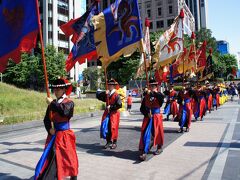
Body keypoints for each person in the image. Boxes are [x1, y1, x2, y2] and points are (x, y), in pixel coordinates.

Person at [35, 78, 78, 180]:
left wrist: (52, 104)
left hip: (65, 135)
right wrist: (49, 129)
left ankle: (73, 175)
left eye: (59, 89)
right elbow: (46, 119)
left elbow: (65, 112)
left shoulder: (69, 102)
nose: (56, 91)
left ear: (64, 90)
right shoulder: (52, 103)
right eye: (55, 89)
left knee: (69, 158)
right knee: (52, 156)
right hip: (54, 135)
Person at [139, 79, 164, 161]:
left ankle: (159, 147)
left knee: (157, 132)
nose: (152, 87)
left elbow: (160, 100)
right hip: (148, 117)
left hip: (156, 116)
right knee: (147, 133)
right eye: (151, 86)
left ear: (156, 87)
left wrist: (152, 93)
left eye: (154, 86)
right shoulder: (146, 97)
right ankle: (144, 152)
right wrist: (146, 113)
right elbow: (142, 108)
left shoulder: (159, 95)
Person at [96, 79, 122, 149]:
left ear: (114, 86)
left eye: (111, 85)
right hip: (107, 113)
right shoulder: (107, 94)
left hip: (114, 114)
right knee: (106, 127)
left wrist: (111, 107)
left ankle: (114, 142)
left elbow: (119, 105)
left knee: (113, 128)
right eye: (109, 85)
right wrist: (104, 93)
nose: (109, 86)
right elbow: (98, 96)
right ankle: (108, 141)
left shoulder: (116, 95)